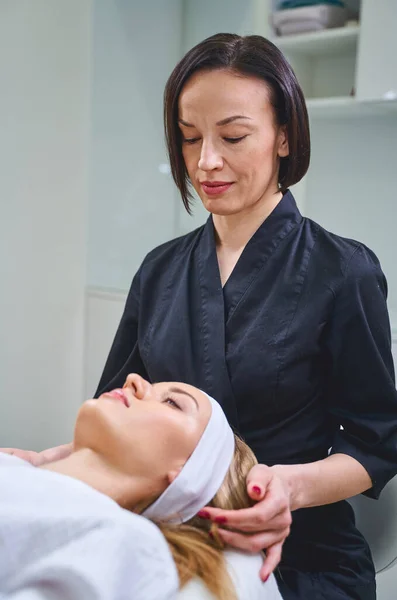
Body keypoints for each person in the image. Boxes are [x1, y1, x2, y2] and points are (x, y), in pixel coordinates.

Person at [3, 32, 397, 599]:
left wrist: (289, 486)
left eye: (233, 136)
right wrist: (45, 462)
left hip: (300, 561)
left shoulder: (344, 272)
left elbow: (376, 443)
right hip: (169, 539)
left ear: (284, 136)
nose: (206, 161)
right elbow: (120, 409)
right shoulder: (160, 271)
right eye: (190, 139)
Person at [0, 373, 281, 600]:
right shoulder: (12, 466)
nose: (132, 379)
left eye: (172, 402)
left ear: (187, 476)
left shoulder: (127, 545)